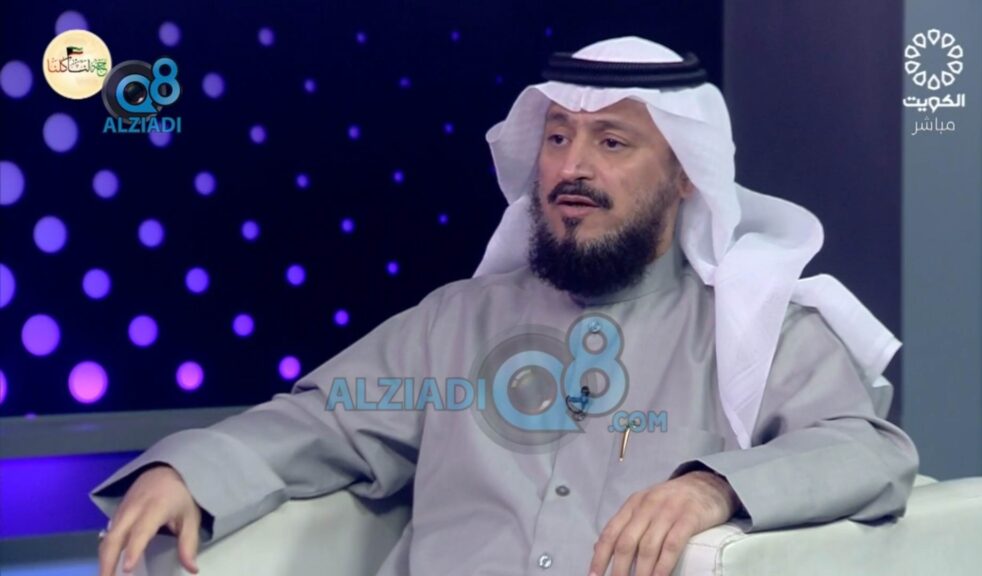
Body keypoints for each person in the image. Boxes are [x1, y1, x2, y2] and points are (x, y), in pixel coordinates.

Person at [92, 36, 919, 576]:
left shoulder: (757, 330)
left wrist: (713, 488)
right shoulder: (456, 324)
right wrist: (186, 470)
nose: (570, 167)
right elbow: (319, 423)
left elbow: (867, 450)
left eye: (611, 142)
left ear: (686, 177)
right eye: (557, 138)